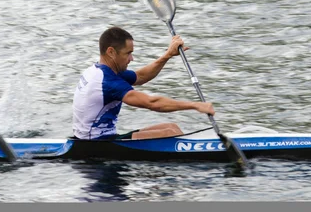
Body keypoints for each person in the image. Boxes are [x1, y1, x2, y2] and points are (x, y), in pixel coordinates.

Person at [73, 26, 215, 140]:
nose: (131, 58)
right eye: (128, 53)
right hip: (98, 145)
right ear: (111, 52)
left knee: (172, 128)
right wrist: (195, 105)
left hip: (93, 138)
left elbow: (140, 76)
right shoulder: (108, 82)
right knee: (169, 134)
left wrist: (168, 55)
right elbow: (151, 103)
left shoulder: (99, 71)